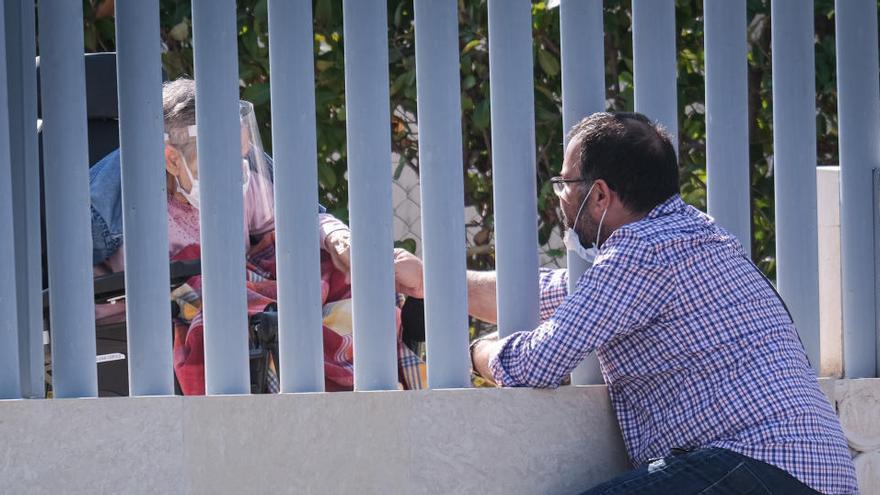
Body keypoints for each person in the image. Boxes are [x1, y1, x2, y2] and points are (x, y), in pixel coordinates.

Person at [394, 112, 857, 494]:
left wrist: (474, 350)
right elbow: (551, 296)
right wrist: (436, 283)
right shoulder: (697, 233)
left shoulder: (641, 252)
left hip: (756, 466)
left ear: (598, 195)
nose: (559, 196)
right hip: (807, 470)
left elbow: (538, 364)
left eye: (564, 183)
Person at [90, 78, 425, 393]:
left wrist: (337, 237)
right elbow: (84, 286)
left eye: (240, 157)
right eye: (218, 162)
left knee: (339, 273)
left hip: (252, 295)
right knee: (229, 302)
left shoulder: (248, 181)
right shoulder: (122, 203)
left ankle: (370, 378)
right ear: (172, 160)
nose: (236, 173)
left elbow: (297, 221)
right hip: (176, 310)